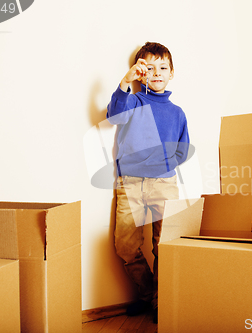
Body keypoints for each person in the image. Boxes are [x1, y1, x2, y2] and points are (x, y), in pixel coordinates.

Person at [106, 42, 189, 324]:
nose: (156, 73)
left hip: (164, 184)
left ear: (171, 73)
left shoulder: (177, 112)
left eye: (162, 67)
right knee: (125, 245)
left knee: (163, 245)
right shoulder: (134, 101)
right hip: (129, 184)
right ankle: (149, 294)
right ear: (141, 73)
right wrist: (125, 82)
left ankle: (161, 300)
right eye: (149, 68)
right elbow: (113, 115)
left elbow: (183, 148)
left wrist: (163, 166)